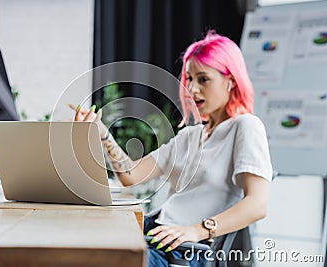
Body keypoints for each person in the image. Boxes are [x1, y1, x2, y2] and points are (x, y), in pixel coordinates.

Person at [70, 30, 272, 267]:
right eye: (190, 79)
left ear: (231, 81)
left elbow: (257, 205)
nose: (193, 89)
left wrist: (197, 231)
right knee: (77, 242)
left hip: (185, 250)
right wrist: (101, 132)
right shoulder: (190, 135)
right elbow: (132, 175)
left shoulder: (246, 126)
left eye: (203, 79)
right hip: (155, 232)